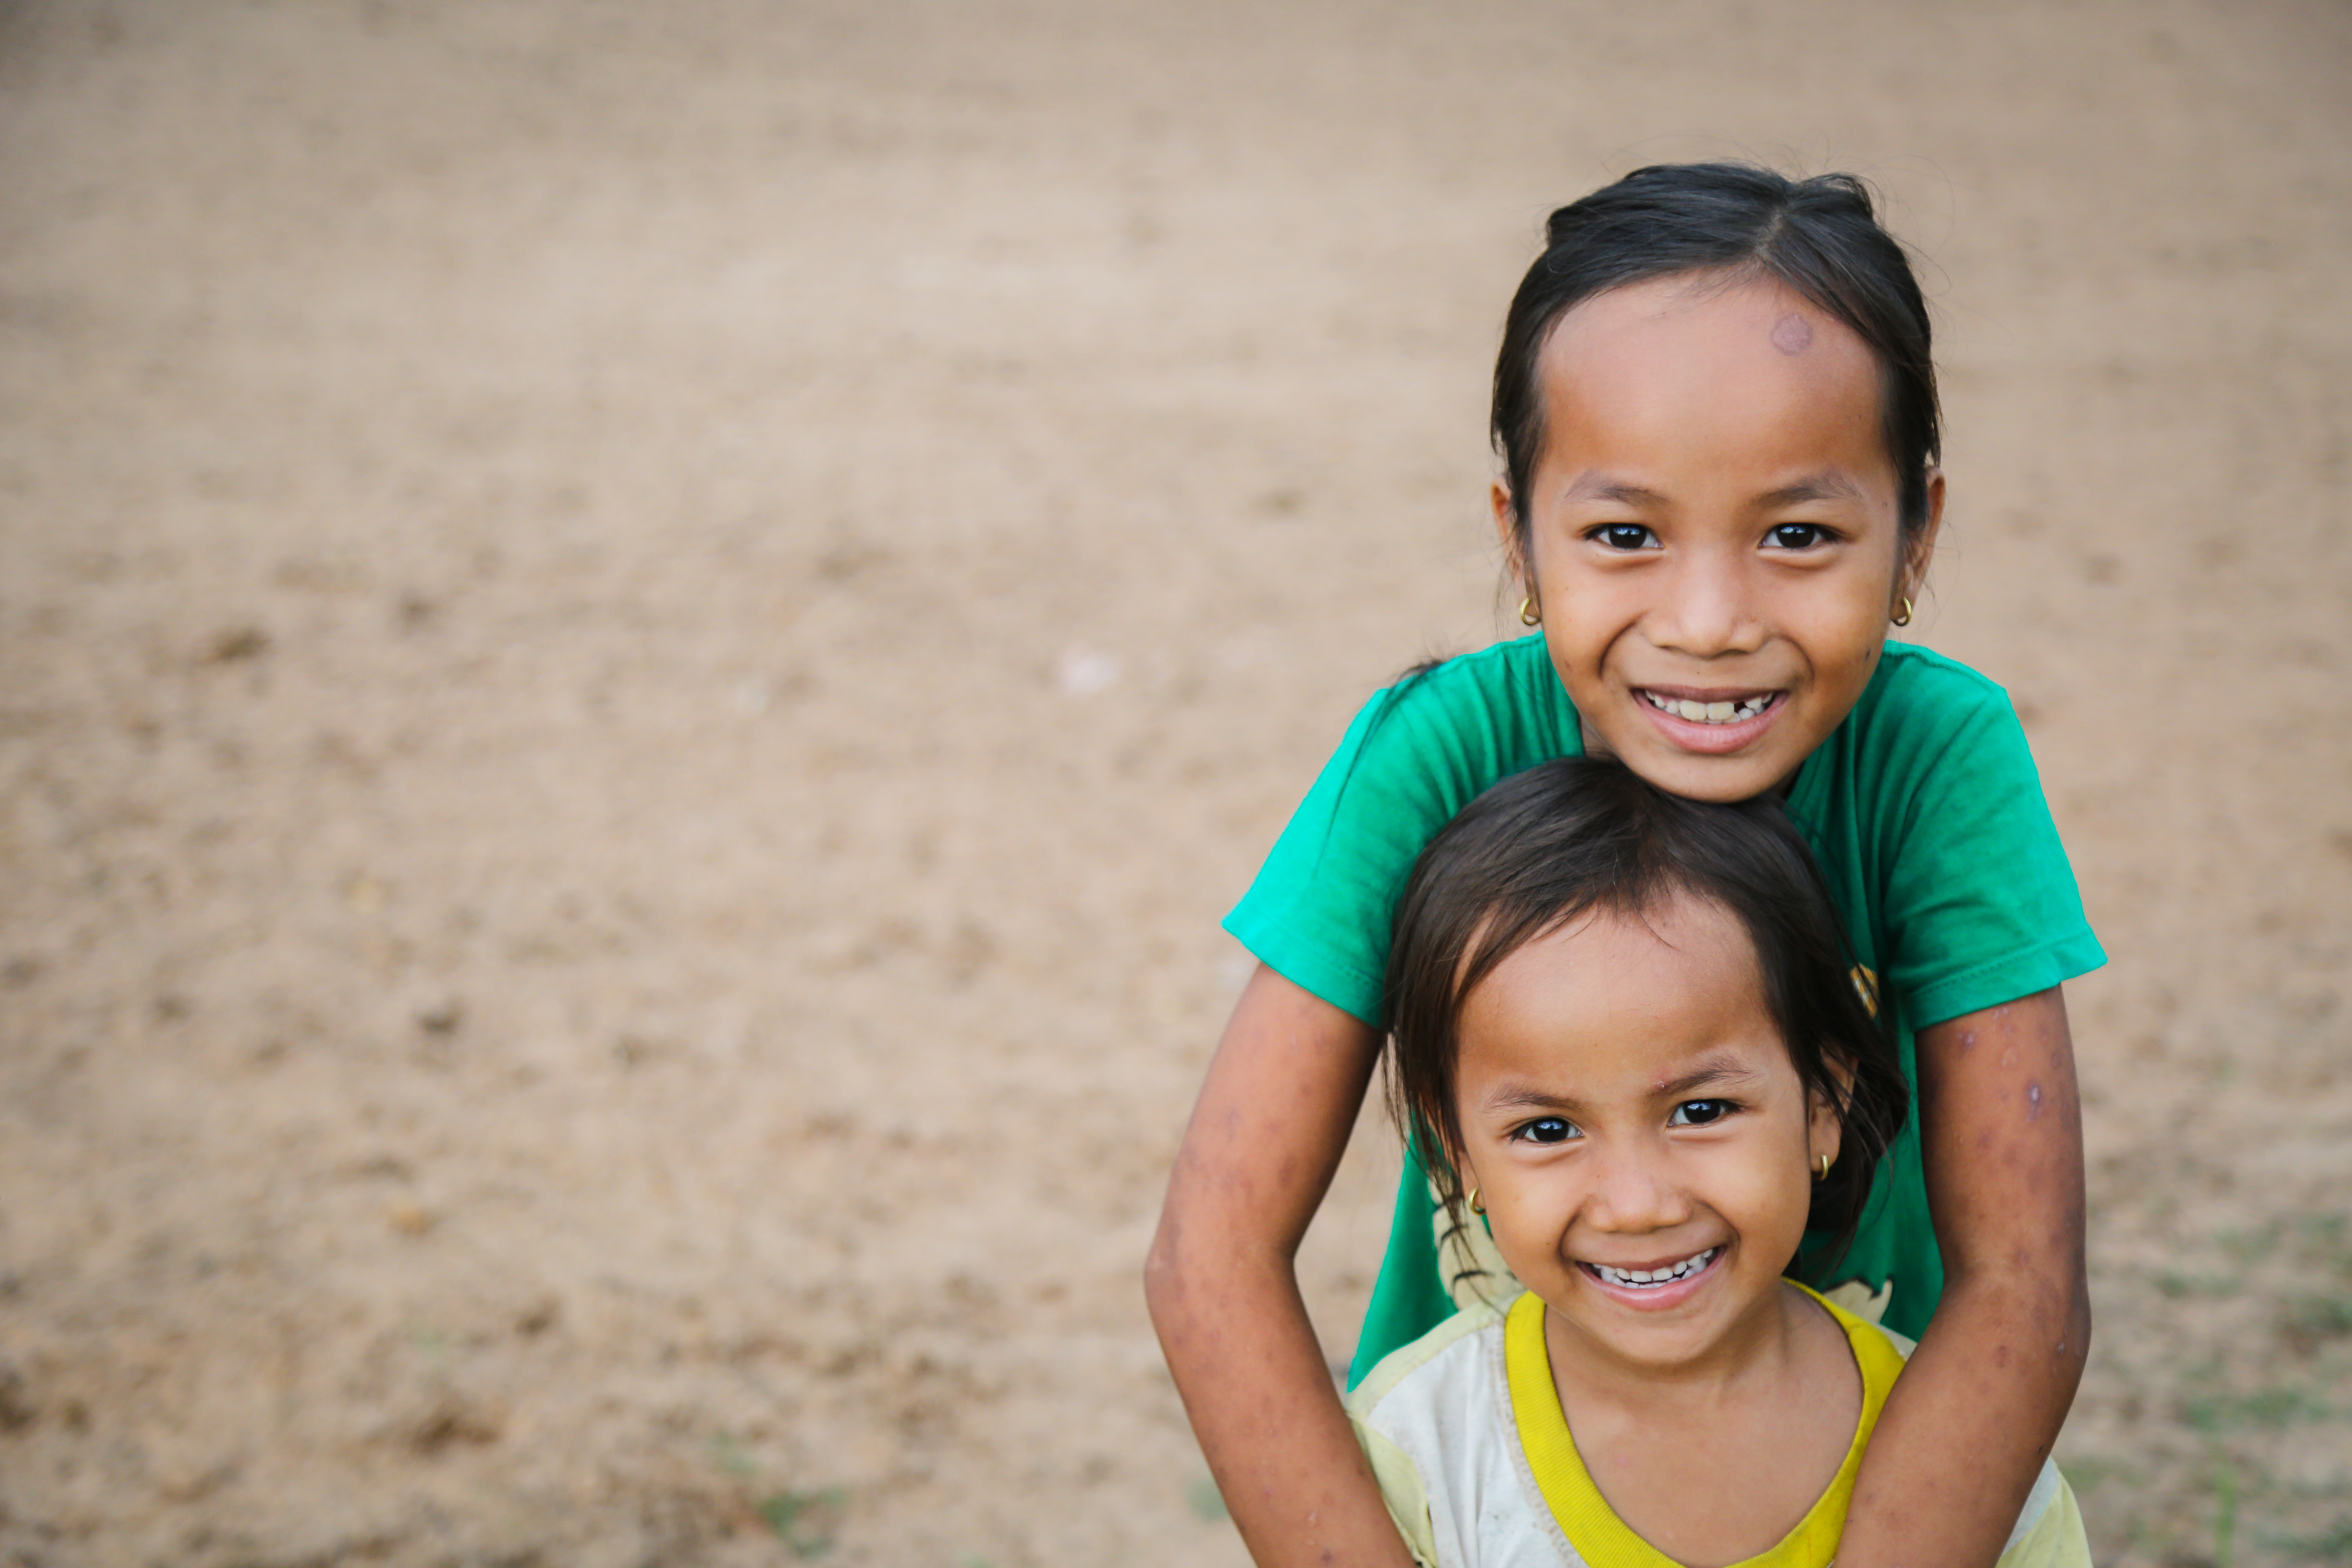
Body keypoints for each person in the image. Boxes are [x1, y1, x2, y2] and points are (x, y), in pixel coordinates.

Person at [1146, 163, 2103, 1568]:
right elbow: (1210, 1255)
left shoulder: (1935, 757)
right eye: (1623, 535)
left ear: (1917, 535)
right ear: (1519, 541)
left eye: (1797, 535)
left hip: (1865, 1488)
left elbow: (2025, 1279)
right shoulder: (1438, 749)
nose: (1708, 620)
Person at [1348, 757, 2087, 1566]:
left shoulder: (1972, 1462)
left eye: (1701, 1112)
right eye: (1549, 1130)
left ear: (1822, 1107)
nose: (1637, 1205)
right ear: (1457, 1158)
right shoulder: (1417, 1452)